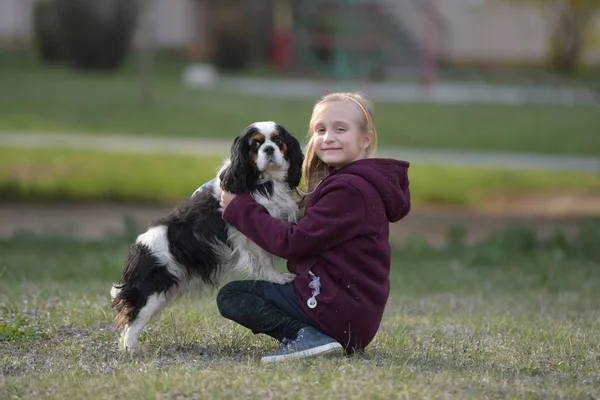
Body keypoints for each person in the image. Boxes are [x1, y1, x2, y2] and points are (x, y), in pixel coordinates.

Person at [216, 92, 411, 363]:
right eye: (320, 130)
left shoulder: (350, 190)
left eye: (340, 129)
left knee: (232, 296)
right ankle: (318, 335)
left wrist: (238, 208)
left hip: (335, 308)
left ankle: (307, 336)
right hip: (348, 309)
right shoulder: (350, 183)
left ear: (365, 139)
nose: (328, 137)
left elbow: (290, 243)